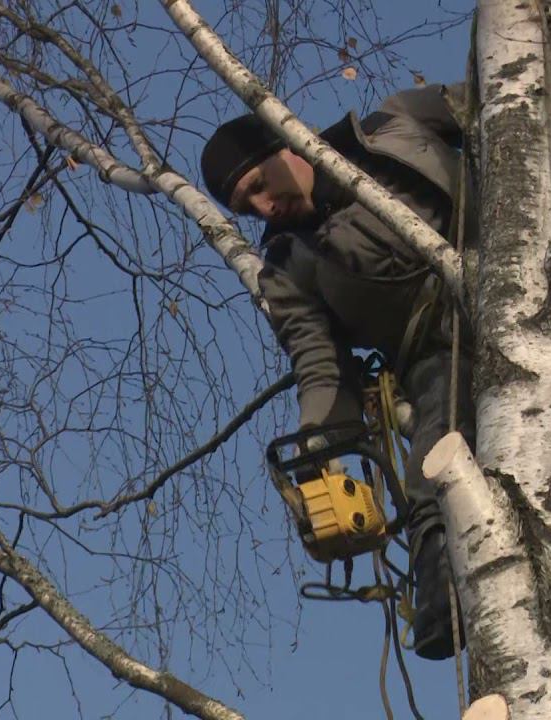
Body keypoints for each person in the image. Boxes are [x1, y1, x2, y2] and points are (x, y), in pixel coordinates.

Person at [200, 84, 474, 660]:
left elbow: (505, 102)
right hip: (433, 355)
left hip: (508, 280)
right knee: (435, 449)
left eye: (256, 186)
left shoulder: (388, 131)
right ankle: (442, 590)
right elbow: (321, 368)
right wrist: (316, 452)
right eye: (244, 207)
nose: (261, 207)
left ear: (283, 148)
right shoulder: (287, 268)